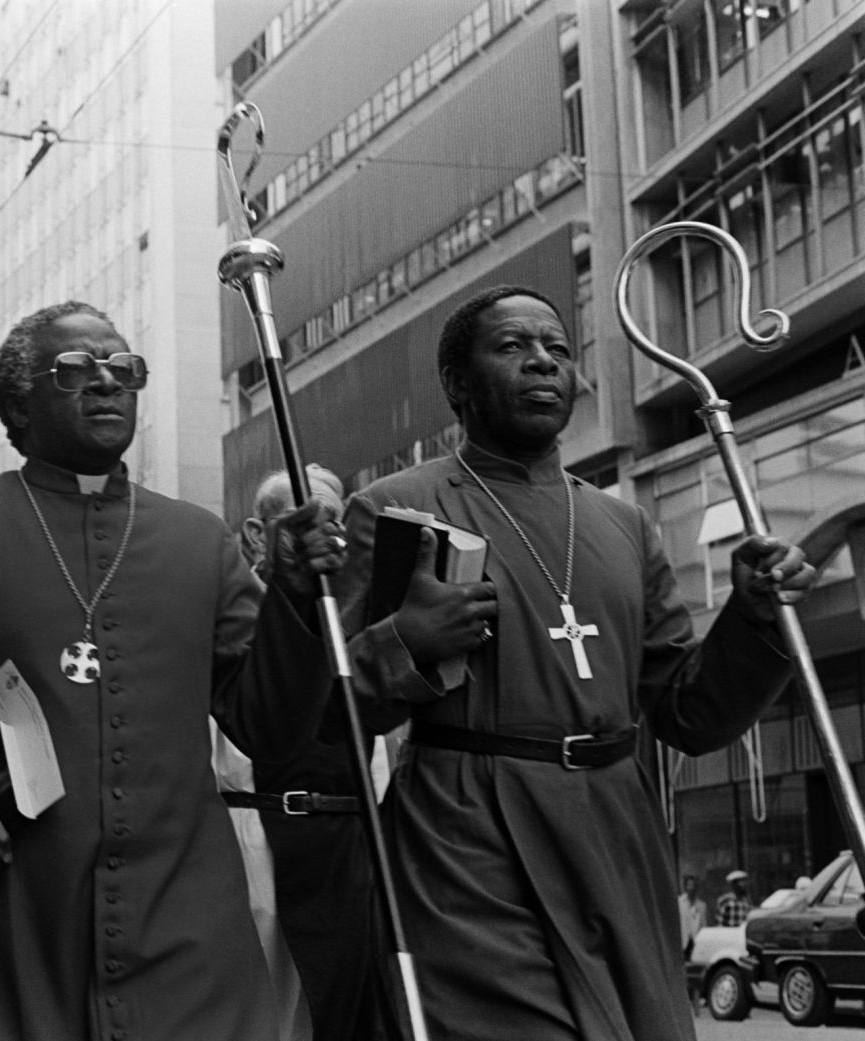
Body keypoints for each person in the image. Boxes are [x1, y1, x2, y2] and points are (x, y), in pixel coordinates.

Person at [0, 300, 342, 1041]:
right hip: (4, 925)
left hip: (181, 929)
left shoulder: (199, 541)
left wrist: (295, 605)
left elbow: (267, 724)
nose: (108, 383)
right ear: (18, 405)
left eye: (124, 369)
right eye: (76, 369)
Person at [335, 284, 816, 1041]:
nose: (542, 363)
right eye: (513, 347)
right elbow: (326, 716)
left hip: (614, 835)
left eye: (558, 348)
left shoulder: (623, 524)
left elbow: (687, 714)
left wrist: (752, 616)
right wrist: (407, 643)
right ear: (457, 385)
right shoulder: (396, 508)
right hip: (467, 839)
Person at [231, 465, 401, 1041]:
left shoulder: (352, 612)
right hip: (252, 845)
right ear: (258, 534)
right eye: (305, 522)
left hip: (345, 854)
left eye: (334, 525)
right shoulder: (231, 608)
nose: (324, 539)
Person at [679, 874, 708, 958]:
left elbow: (703, 925)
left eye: (693, 885)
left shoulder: (702, 905)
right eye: (688, 885)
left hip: (696, 942)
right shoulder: (679, 903)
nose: (691, 888)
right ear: (685, 887)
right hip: (683, 940)